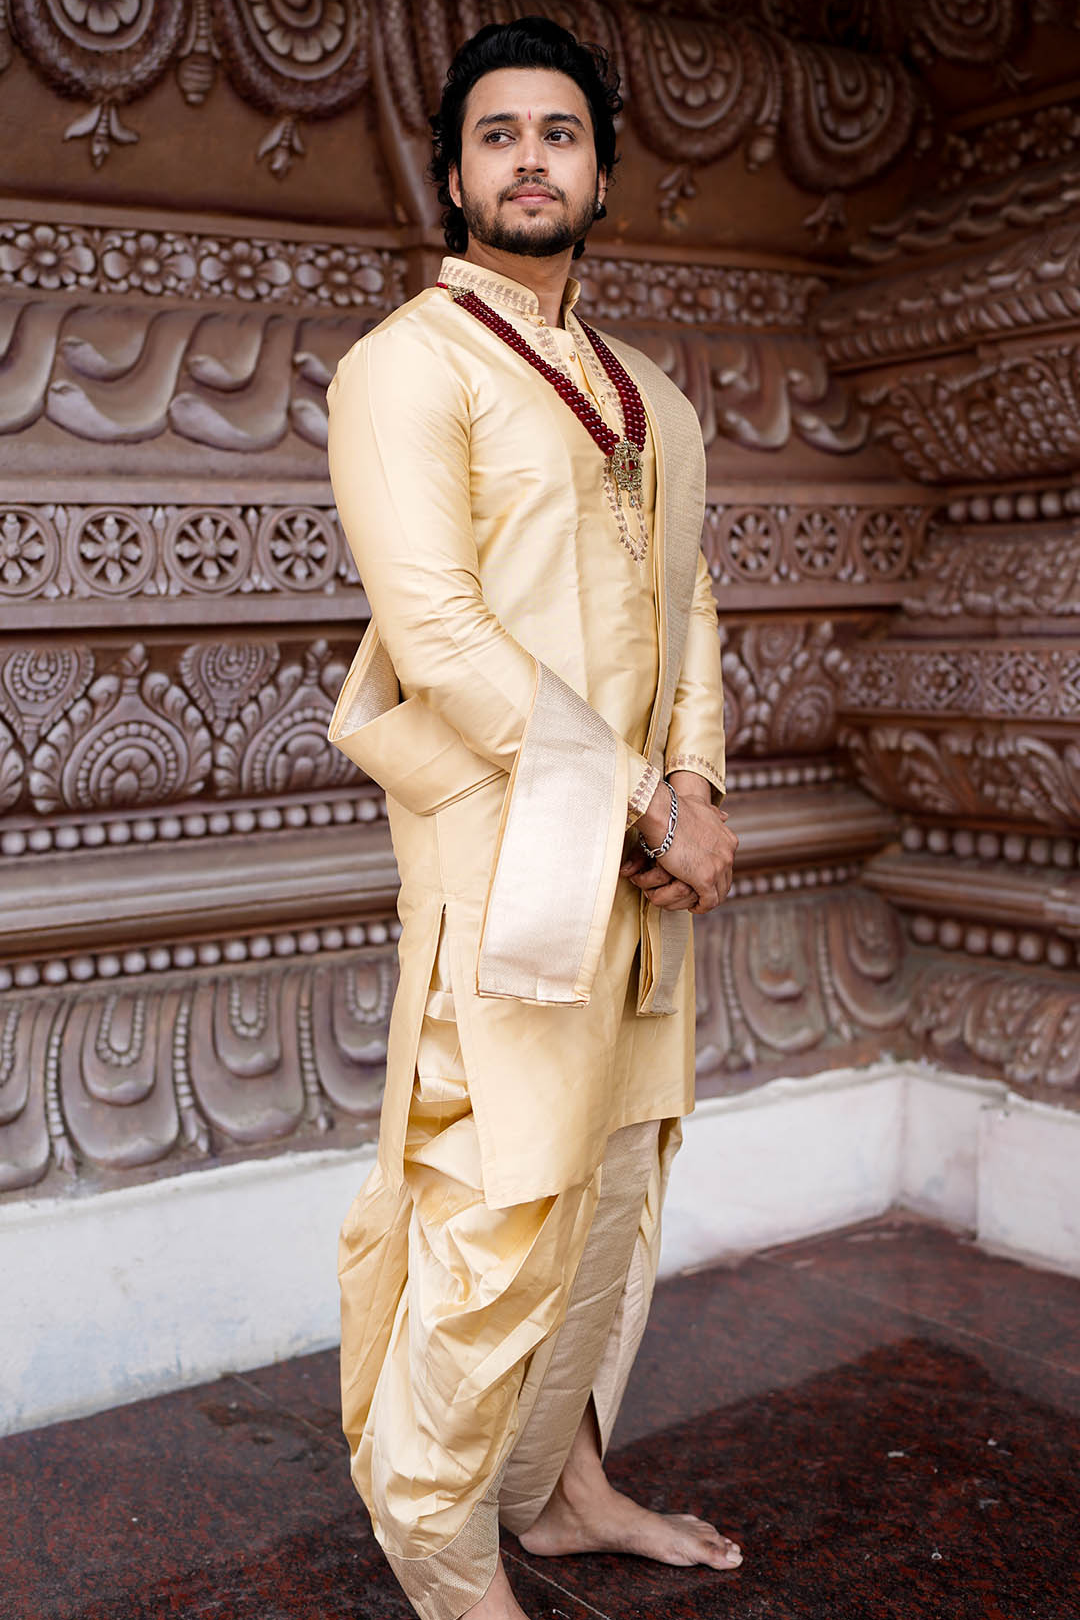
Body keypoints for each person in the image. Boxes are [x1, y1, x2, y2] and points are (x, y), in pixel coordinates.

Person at [325, 16, 739, 1619]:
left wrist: (691, 786)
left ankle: (562, 1493)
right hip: (512, 857)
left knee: (616, 1188)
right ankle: (440, 1546)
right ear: (451, 174)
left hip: (646, 861)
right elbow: (435, 635)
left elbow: (690, 604)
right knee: (499, 1207)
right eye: (497, 135)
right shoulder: (405, 368)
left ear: (602, 171)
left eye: (559, 134)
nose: (529, 160)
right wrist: (642, 793)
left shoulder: (650, 400)